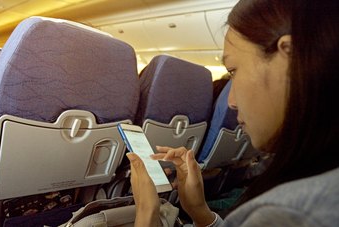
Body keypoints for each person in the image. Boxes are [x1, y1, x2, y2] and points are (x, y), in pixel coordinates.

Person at [126, 0, 339, 226]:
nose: (230, 102)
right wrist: (199, 211)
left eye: (234, 71)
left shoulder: (288, 215)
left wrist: (147, 214)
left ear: (288, 57)